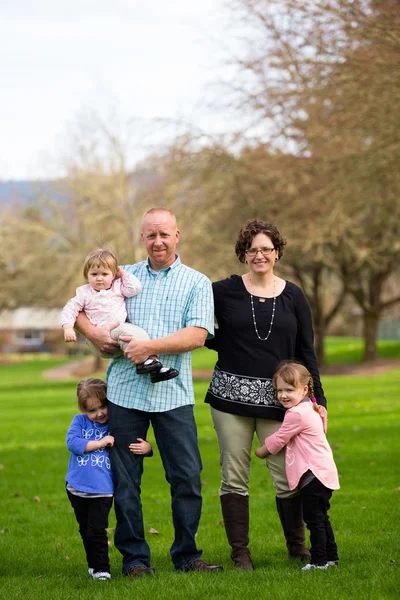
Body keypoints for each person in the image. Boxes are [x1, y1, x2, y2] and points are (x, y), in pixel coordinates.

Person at [74, 207, 223, 577]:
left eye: (164, 234)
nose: (158, 241)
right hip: (125, 395)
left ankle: (188, 555)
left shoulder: (196, 282)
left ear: (177, 235)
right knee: (126, 481)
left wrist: (149, 347)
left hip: (174, 395)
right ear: (142, 238)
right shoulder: (122, 276)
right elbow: (79, 305)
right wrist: (91, 332)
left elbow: (198, 335)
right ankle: (135, 560)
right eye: (150, 235)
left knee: (186, 476)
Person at [205, 218, 328, 570]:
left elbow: (307, 351)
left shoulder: (294, 296)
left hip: (283, 405)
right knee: (234, 476)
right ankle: (240, 553)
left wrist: (318, 403)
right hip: (229, 401)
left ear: (277, 252)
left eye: (266, 249)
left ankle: (298, 548)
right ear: (243, 254)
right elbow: (199, 330)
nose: (259, 255)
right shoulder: (222, 291)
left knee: (288, 477)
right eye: (252, 249)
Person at [66, 378, 152, 581]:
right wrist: (99, 443)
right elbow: (72, 442)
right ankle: (93, 565)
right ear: (84, 410)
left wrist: (148, 449)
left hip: (102, 491)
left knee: (97, 529)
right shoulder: (80, 422)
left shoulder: (115, 424)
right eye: (92, 410)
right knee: (85, 529)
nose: (99, 413)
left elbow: (133, 443)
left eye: (103, 406)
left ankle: (102, 570)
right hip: (76, 487)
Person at [255, 362, 339, 570]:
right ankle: (331, 558)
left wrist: (260, 451)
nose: (283, 395)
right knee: (321, 517)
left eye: (289, 390)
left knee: (314, 520)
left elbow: (278, 440)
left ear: (303, 390)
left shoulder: (296, 414)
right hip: (322, 473)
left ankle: (319, 561)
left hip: (313, 475)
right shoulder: (309, 407)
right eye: (279, 390)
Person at [61, 247, 178, 383]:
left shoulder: (117, 287)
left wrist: (122, 274)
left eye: (104, 274)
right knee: (131, 333)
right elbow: (70, 309)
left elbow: (135, 288)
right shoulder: (84, 293)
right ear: (87, 275)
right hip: (100, 340)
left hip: (118, 339)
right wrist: (68, 327)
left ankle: (155, 369)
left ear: (113, 274)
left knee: (135, 334)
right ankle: (147, 363)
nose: (99, 279)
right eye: (94, 274)